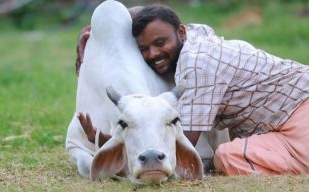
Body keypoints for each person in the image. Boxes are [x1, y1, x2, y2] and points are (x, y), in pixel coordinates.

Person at [76, 4, 309, 176]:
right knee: (233, 153)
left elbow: (183, 143)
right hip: (281, 120)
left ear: (181, 33)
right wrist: (97, 31)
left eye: (160, 43)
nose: (153, 54)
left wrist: (118, 142)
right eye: (144, 49)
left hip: (300, 114)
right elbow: (151, 14)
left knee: (227, 157)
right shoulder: (196, 36)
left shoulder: (199, 67)